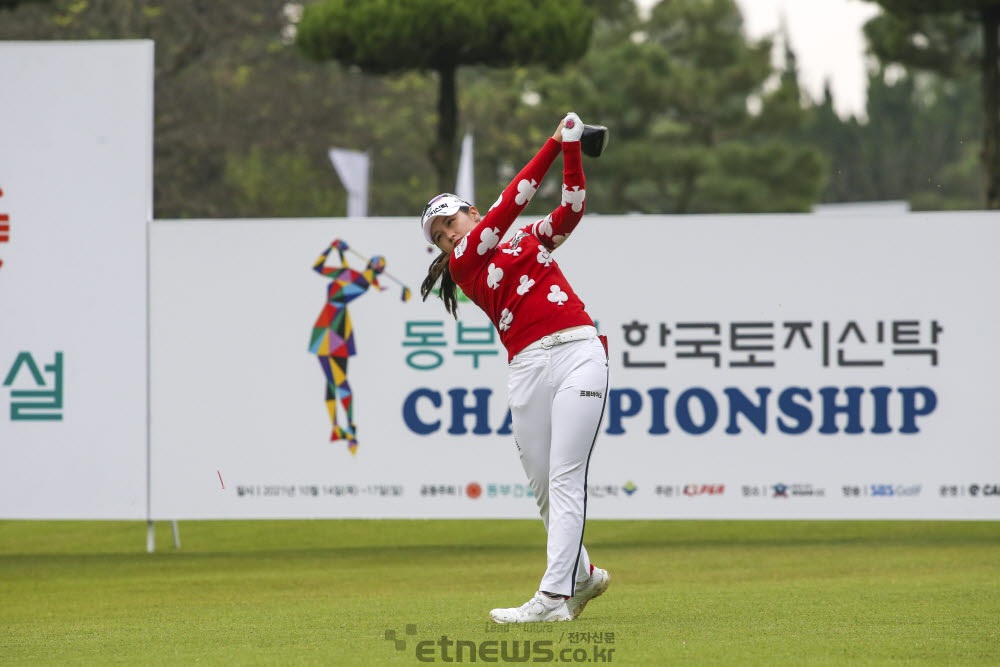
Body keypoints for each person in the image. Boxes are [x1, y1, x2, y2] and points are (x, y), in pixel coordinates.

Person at [419, 112, 610, 624]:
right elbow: (511, 204)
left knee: (566, 476)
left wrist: (571, 150)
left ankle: (552, 601)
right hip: (527, 366)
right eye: (439, 237)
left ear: (469, 213)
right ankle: (585, 574)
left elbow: (570, 210)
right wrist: (554, 142)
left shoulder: (529, 241)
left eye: (451, 223)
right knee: (545, 486)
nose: (449, 237)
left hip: (578, 351)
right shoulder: (465, 266)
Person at [308, 238, 386, 455]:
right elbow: (318, 267)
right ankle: (342, 428)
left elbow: (359, 285)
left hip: (337, 327)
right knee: (334, 382)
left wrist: (336, 250)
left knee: (338, 381)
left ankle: (347, 428)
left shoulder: (361, 280)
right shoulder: (350, 275)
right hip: (329, 327)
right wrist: (331, 248)